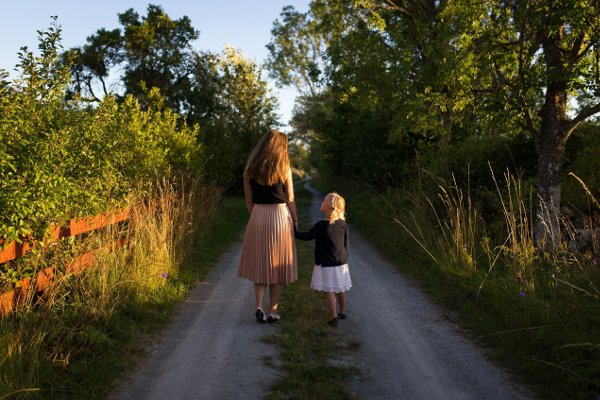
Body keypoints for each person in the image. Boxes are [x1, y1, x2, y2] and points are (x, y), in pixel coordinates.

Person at [238, 129, 298, 324]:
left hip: (258, 215)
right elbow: (290, 198)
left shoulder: (250, 169)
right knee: (278, 265)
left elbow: (248, 200)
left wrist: (255, 216)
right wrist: (295, 220)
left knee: (260, 264)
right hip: (280, 216)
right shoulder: (284, 167)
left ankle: (259, 307)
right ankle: (273, 311)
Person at [295, 192, 351, 326]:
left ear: (329, 207)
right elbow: (346, 244)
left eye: (324, 201)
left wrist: (293, 232)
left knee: (329, 290)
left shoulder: (321, 225)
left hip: (326, 264)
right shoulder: (343, 224)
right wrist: (344, 258)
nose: (321, 202)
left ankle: (333, 316)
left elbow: (307, 236)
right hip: (341, 263)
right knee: (340, 289)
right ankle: (342, 312)